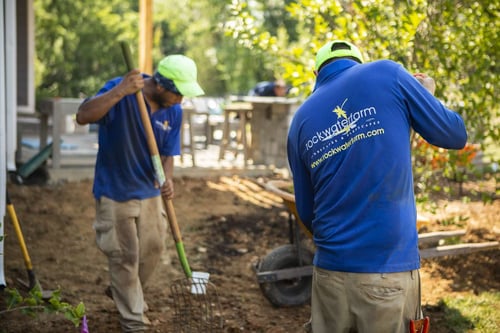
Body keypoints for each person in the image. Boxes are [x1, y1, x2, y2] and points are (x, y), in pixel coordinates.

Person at [287, 40, 467, 333]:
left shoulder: (300, 121)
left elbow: (306, 212)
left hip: (329, 273)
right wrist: (423, 94)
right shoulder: (386, 73)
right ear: (358, 61)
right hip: (386, 271)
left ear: (316, 72)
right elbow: (455, 134)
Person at [76, 55, 204, 333]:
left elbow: (168, 155)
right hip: (115, 190)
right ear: (160, 85)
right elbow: (83, 116)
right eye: (178, 93)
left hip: (149, 191)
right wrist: (121, 90)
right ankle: (134, 322)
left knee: (153, 249)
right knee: (125, 257)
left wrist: (167, 178)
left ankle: (125, 291)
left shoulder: (174, 111)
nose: (181, 100)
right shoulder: (121, 90)